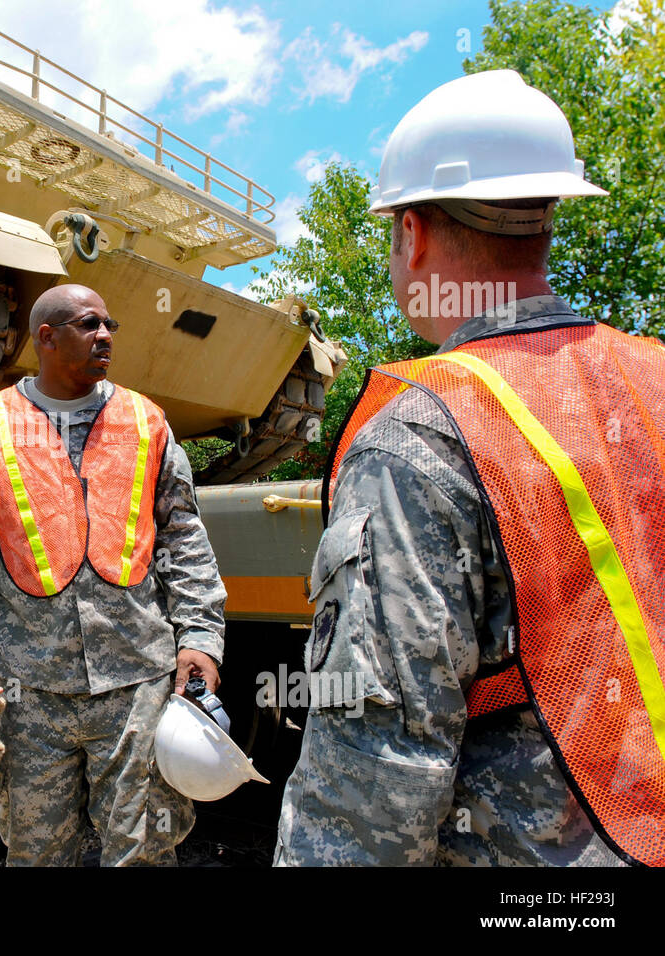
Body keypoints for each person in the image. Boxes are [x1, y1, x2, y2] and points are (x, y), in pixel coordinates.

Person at [275, 69, 665, 866]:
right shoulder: (652, 375)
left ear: (412, 234)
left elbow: (373, 784)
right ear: (547, 215)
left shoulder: (423, 435)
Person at [0, 283, 227, 866]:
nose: (105, 335)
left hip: (137, 686)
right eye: (88, 324)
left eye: (110, 324)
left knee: (145, 853)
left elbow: (185, 538)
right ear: (46, 338)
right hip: (27, 694)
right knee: (37, 854)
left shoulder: (146, 421)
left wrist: (201, 636)